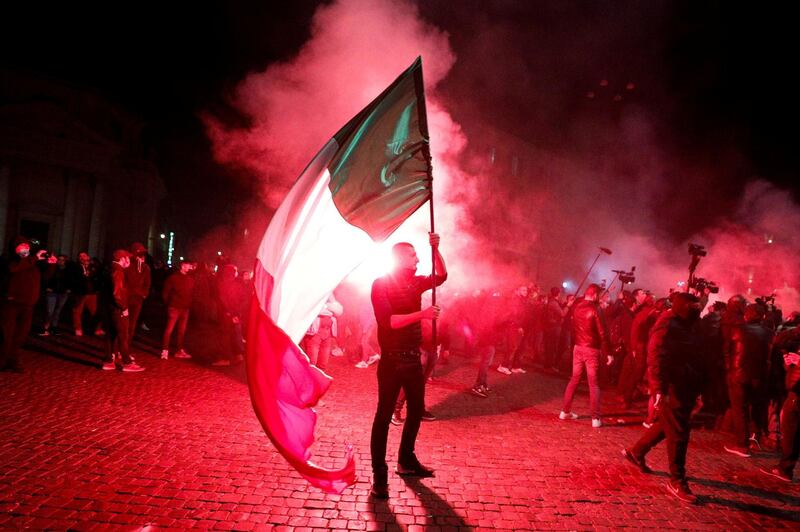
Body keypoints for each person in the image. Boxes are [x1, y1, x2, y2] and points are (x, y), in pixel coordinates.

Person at [369, 233, 447, 499]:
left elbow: (441, 276)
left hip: (413, 359)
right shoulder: (380, 284)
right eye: (414, 254)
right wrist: (423, 314)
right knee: (383, 417)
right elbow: (388, 321)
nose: (418, 258)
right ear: (400, 257)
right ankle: (379, 476)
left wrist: (435, 249)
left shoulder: (415, 283)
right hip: (392, 360)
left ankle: (406, 461)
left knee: (415, 411)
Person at [622, 292, 704, 504]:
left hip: (685, 383)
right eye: (693, 307)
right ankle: (677, 480)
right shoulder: (667, 323)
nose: (697, 311)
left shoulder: (687, 323)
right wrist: (658, 388)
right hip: (672, 385)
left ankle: (637, 451)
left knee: (668, 424)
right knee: (679, 431)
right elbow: (656, 354)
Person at [559, 283, 613, 428]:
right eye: (599, 295)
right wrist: (609, 353)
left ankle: (565, 411)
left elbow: (573, 327)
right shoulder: (595, 309)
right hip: (591, 350)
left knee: (574, 379)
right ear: (594, 295)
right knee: (593, 384)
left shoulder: (577, 307)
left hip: (578, 347)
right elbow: (603, 333)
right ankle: (595, 418)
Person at [723, 303, 772, 457]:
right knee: (757, 407)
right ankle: (755, 436)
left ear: (746, 315)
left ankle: (742, 445)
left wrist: (729, 369)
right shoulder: (769, 333)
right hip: (760, 375)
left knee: (740, 409)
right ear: (762, 316)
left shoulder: (736, 329)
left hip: (738, 375)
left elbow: (726, 351)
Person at [0, 238, 55, 372]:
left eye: (27, 246)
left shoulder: (32, 262)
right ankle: (2, 361)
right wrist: (34, 258)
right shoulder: (9, 259)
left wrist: (52, 264)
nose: (25, 249)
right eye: (21, 246)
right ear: (15, 248)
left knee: (20, 335)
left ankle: (13, 360)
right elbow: (14, 269)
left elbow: (45, 277)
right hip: (11, 304)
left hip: (28, 304)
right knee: (6, 335)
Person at [101, 250, 144, 372]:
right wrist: (123, 308)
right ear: (123, 259)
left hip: (109, 307)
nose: (129, 261)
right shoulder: (118, 271)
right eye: (128, 259)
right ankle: (127, 362)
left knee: (111, 334)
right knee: (123, 334)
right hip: (117, 309)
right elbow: (117, 293)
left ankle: (108, 361)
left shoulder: (110, 268)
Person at [161, 260, 195, 359]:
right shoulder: (173, 278)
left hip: (185, 308)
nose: (190, 267)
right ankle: (165, 351)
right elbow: (165, 292)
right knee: (169, 330)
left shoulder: (190, 279)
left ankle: (179, 350)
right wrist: (169, 304)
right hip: (174, 307)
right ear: (183, 266)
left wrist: (189, 303)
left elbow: (191, 293)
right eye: (188, 265)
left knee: (181, 331)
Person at [39, 254, 74, 335]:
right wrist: (47, 287)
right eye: (59, 260)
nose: (60, 261)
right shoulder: (53, 269)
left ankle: (54, 327)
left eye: (63, 260)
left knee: (57, 311)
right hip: (52, 292)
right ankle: (46, 326)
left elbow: (71, 280)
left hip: (63, 293)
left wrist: (69, 289)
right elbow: (45, 277)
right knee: (50, 311)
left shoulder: (68, 270)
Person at [71, 251, 105, 336]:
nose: (83, 258)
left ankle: (97, 329)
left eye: (84, 256)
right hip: (81, 293)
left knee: (95, 312)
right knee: (77, 311)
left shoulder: (92, 267)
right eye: (81, 256)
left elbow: (98, 276)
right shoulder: (76, 267)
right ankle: (78, 328)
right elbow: (74, 279)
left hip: (91, 293)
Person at [125, 242, 151, 344]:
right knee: (123, 324)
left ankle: (125, 349)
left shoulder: (145, 268)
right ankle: (117, 349)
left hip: (137, 299)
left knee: (132, 324)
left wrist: (143, 294)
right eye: (139, 253)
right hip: (126, 298)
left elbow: (147, 283)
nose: (141, 255)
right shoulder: (127, 265)